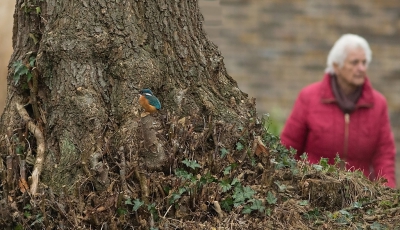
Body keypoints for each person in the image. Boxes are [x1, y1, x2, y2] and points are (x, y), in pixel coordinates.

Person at [280, 34, 396, 188]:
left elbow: (384, 155)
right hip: (312, 193)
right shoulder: (309, 97)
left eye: (364, 62)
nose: (361, 68)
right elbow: (288, 148)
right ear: (336, 66)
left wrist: (388, 193)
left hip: (359, 197)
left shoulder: (378, 103)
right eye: (354, 62)